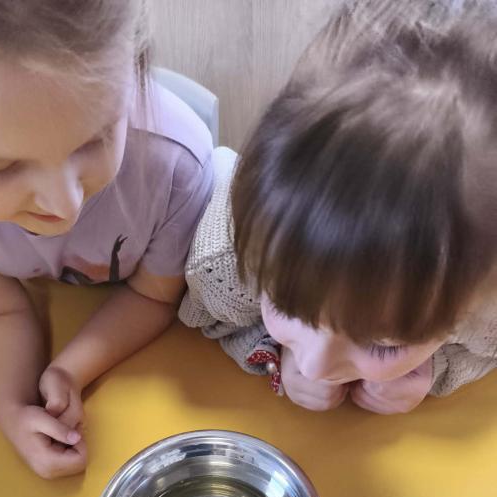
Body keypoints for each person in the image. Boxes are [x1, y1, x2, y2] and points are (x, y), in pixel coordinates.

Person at [0, 0, 213, 475]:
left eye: (96, 137)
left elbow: (153, 295)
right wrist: (10, 405)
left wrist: (71, 369)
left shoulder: (179, 165)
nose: (64, 205)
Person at [180, 0, 497, 414]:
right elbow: (207, 314)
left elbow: (488, 351)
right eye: (285, 305)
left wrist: (435, 369)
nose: (316, 365)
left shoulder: (484, 303)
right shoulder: (230, 259)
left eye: (383, 345)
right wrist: (271, 351)